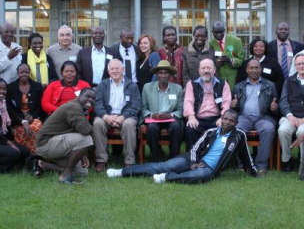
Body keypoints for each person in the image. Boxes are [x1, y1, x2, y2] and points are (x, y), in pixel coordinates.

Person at [106, 110, 258, 184]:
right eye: (225, 119)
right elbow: (195, 149)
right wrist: (192, 162)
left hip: (209, 168)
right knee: (162, 166)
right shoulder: (212, 132)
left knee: (201, 176)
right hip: (193, 159)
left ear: (236, 123)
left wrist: (253, 172)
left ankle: (167, 178)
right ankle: (121, 172)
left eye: (231, 121)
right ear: (221, 118)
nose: (227, 122)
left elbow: (245, 156)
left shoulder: (239, 136)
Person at [35, 88, 96, 184]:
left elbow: (78, 131)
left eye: (93, 98)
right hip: (45, 144)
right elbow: (86, 130)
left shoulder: (79, 107)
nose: (91, 100)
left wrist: (81, 155)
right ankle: (66, 175)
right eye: (88, 96)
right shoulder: (73, 107)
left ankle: (43, 165)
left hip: (56, 143)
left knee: (82, 172)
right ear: (79, 96)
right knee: (87, 138)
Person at [231, 59, 278, 177]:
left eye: (257, 68)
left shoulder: (270, 85)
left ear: (261, 69)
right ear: (246, 70)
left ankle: (261, 166)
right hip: (244, 117)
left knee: (268, 129)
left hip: (263, 117)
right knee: (236, 129)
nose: (254, 70)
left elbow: (276, 108)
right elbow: (235, 110)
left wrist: (274, 108)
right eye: (251, 68)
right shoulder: (239, 86)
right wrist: (234, 105)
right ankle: (242, 164)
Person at [93, 59, 141, 171]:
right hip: (107, 115)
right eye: (112, 69)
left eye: (117, 68)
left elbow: (136, 106)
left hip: (126, 116)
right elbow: (98, 104)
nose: (115, 71)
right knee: (97, 123)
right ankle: (101, 160)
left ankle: (129, 161)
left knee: (129, 125)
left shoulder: (132, 85)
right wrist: (105, 117)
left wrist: (123, 117)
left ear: (123, 70)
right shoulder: (102, 85)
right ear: (108, 71)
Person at [184, 58, 231, 152]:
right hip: (198, 118)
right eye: (203, 68)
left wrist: (223, 117)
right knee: (190, 128)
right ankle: (192, 156)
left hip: (216, 118)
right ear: (199, 70)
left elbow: (227, 102)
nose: (206, 71)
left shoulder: (223, 83)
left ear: (214, 70)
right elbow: (188, 101)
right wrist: (191, 117)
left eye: (209, 68)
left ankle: (217, 157)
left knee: (224, 126)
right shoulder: (191, 84)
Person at [141, 60, 184, 162]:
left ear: (170, 75)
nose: (163, 75)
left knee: (176, 126)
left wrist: (171, 115)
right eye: (160, 73)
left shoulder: (177, 88)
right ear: (157, 74)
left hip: (171, 119)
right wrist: (152, 115)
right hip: (154, 119)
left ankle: (173, 158)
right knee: (151, 128)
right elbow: (143, 108)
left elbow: (181, 109)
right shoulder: (147, 87)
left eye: (166, 73)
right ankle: (156, 157)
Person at [6, 64, 44, 154]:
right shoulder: (11, 87)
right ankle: (23, 154)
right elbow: (9, 108)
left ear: (30, 73)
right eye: (21, 72)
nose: (24, 74)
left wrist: (32, 116)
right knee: (20, 129)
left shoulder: (37, 86)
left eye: (26, 72)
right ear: (17, 73)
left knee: (36, 127)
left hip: (33, 117)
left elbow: (40, 105)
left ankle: (35, 154)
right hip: (17, 118)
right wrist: (22, 120)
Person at [209, 21, 244, 89]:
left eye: (221, 32)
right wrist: (217, 63)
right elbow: (211, 61)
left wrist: (230, 60)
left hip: (234, 79)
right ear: (212, 32)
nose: (219, 34)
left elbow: (241, 60)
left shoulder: (236, 41)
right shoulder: (211, 43)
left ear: (224, 31)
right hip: (219, 79)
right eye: (216, 32)